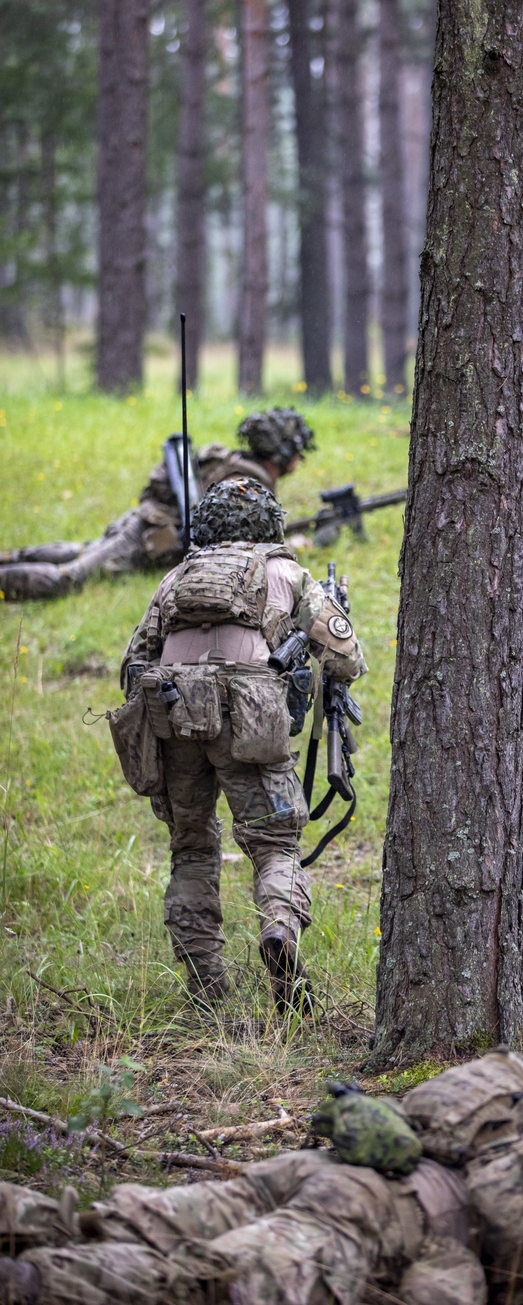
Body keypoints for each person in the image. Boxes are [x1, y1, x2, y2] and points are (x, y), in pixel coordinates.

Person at [0, 955, 523, 1305]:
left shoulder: (513, 1071)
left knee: (120, 1218)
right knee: (203, 1285)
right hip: (368, 1220)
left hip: (314, 1171)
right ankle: (29, 1284)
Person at [112, 475, 365, 1012]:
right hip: (250, 728)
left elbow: (133, 664)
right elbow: (348, 660)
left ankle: (206, 984)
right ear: (269, 522)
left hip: (174, 718)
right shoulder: (286, 573)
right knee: (274, 845)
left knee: (192, 849)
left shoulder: (178, 577)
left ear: (207, 525)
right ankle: (278, 932)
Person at [0, 408, 315, 601]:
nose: (300, 459)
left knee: (83, 552)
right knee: (67, 579)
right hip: (149, 534)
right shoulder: (247, 480)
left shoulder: (237, 461)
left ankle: (13, 557)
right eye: (298, 451)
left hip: (145, 520)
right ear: (283, 453)